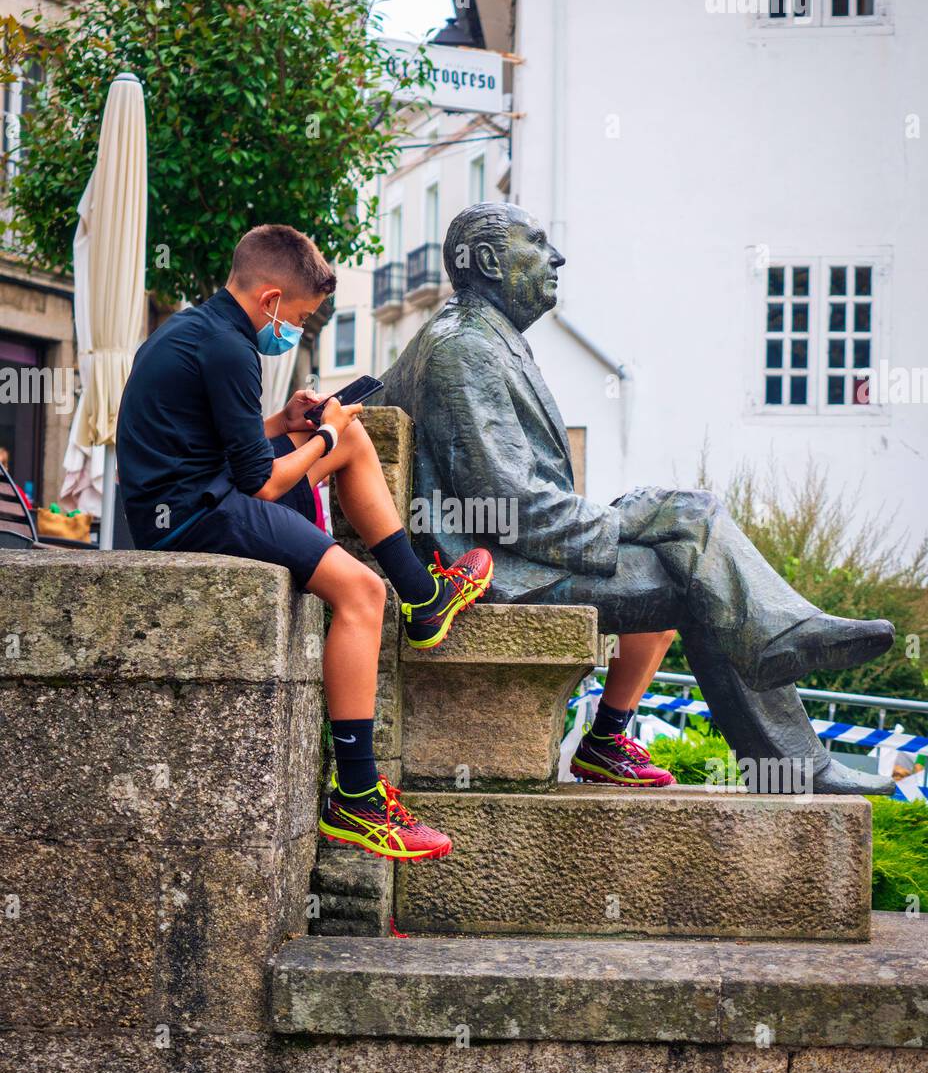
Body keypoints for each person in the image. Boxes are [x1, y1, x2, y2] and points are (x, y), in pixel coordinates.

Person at [377, 202, 897, 797]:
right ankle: (791, 740)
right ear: (490, 260)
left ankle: (784, 659)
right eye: (538, 241)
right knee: (693, 565)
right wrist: (614, 523)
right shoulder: (462, 346)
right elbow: (508, 502)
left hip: (520, 551)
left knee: (689, 527)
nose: (556, 256)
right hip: (498, 568)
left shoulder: (483, 338)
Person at [117, 224, 494, 861]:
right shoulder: (230, 349)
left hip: (187, 495)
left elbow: (224, 442)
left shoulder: (196, 329)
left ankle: (424, 598)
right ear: (269, 300)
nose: (295, 330)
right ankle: (357, 797)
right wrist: (320, 436)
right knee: (359, 590)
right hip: (194, 514)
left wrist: (288, 424)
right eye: (298, 317)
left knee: (350, 439)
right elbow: (260, 485)